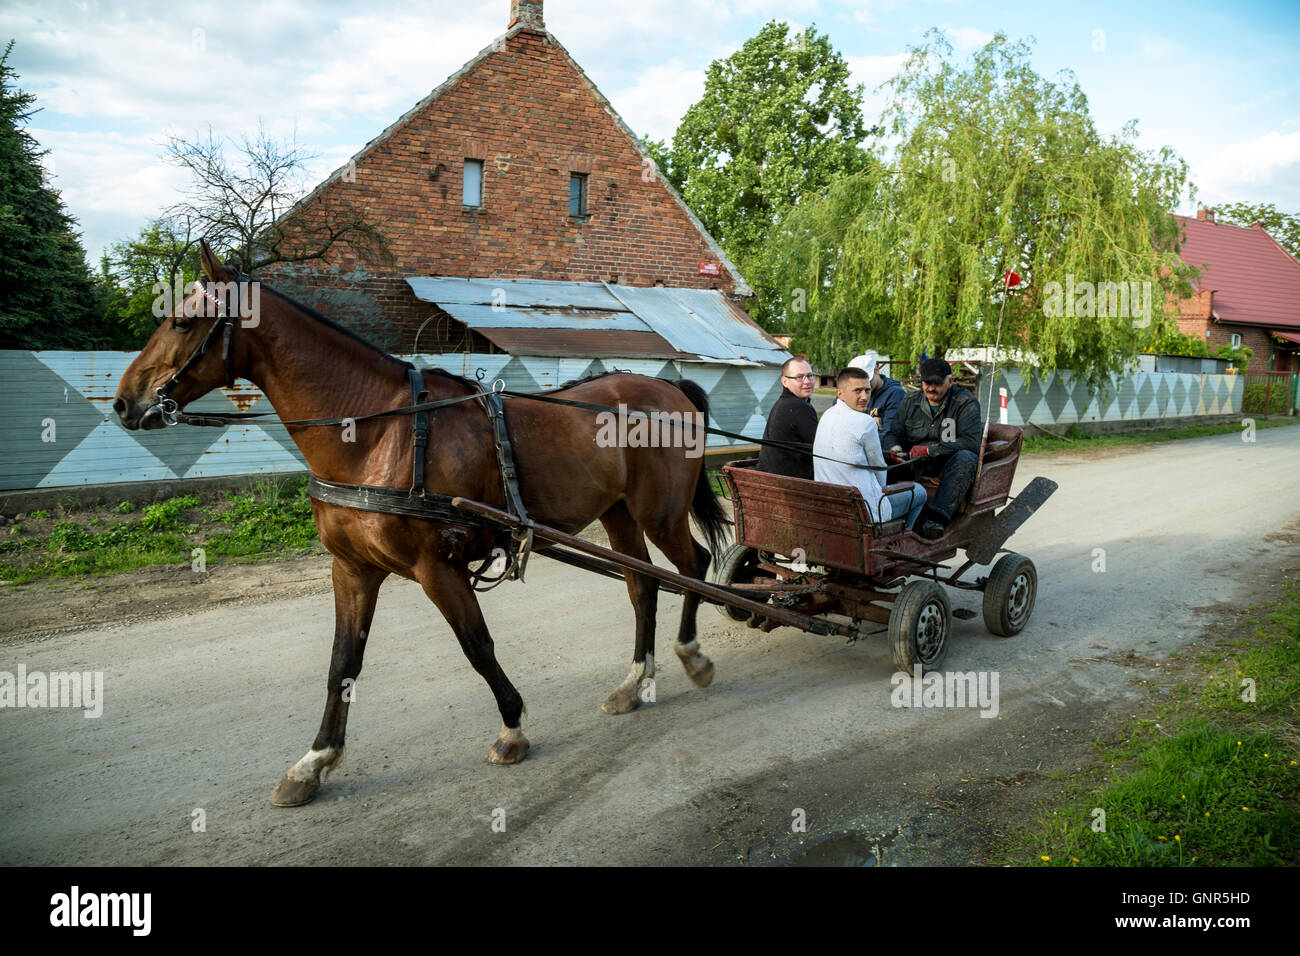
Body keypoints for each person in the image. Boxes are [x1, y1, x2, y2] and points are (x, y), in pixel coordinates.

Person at [814, 366, 927, 530]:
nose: (864, 397)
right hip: (860, 509)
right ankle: (900, 543)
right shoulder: (865, 422)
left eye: (867, 390)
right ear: (840, 393)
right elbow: (880, 470)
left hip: (830, 503)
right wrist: (883, 491)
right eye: (857, 391)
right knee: (919, 491)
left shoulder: (827, 415)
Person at [881, 358, 982, 540]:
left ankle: (935, 520)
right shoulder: (910, 400)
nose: (930, 388)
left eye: (937, 384)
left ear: (950, 382)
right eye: (927, 383)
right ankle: (880, 510)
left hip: (946, 466)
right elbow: (893, 433)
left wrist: (930, 450)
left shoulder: (966, 403)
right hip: (914, 464)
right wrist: (894, 447)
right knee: (881, 455)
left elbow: (970, 442)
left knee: (966, 457)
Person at [756, 356, 818, 480]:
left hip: (771, 481)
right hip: (791, 486)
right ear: (785, 381)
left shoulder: (782, 403)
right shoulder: (798, 407)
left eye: (810, 375)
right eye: (799, 377)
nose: (807, 381)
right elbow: (821, 447)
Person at [848, 353, 905, 453]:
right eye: (858, 384)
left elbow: (889, 433)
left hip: (883, 455)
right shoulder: (851, 392)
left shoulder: (895, 394)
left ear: (877, 370)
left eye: (867, 380)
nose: (864, 386)